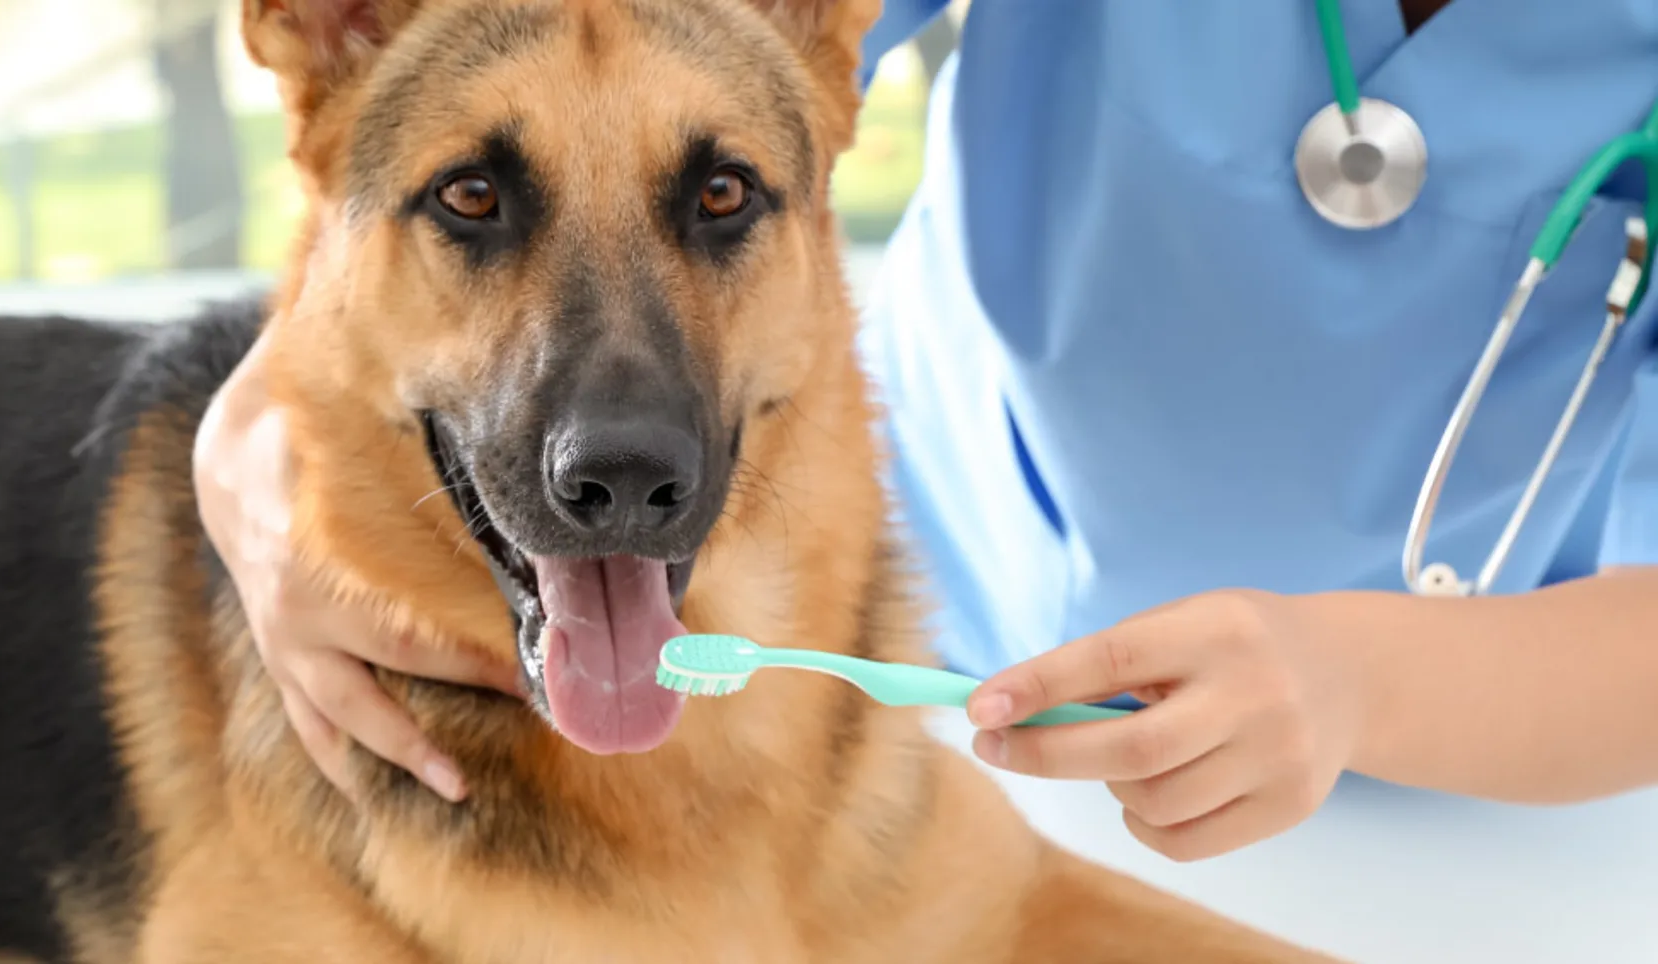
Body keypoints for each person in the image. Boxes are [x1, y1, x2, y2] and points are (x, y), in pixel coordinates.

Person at [196, 0, 1658, 956]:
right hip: (916, 655)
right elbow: (596, 59)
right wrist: (253, 443)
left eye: (722, 210)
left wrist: (1360, 683)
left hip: (1491, 765)